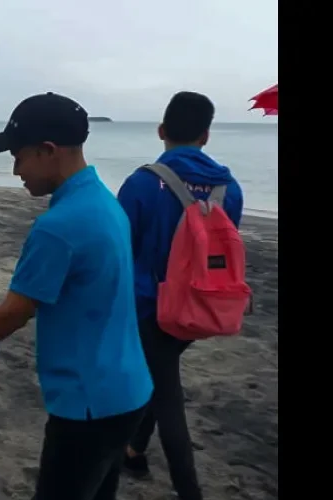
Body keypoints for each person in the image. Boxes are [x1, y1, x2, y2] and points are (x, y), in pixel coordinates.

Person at [0, 92, 153, 500]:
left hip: (87, 403)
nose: (14, 170)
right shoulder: (105, 203)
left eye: (19, 156)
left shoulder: (59, 226)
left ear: (48, 151)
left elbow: (14, 313)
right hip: (130, 391)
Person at [117, 91, 243, 500]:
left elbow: (123, 250)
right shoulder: (231, 189)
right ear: (206, 136)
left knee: (168, 397)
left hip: (150, 308)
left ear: (161, 131)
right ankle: (135, 449)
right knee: (162, 369)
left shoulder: (140, 183)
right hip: (202, 305)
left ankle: (189, 490)